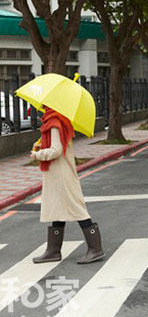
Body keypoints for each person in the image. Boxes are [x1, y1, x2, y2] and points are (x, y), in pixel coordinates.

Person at [31, 107, 104, 264]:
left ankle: (95, 249)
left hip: (61, 175)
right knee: (58, 210)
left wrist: (38, 154)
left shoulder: (54, 122)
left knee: (77, 210)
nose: (42, 106)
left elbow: (56, 150)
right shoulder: (58, 120)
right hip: (58, 173)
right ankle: (53, 251)